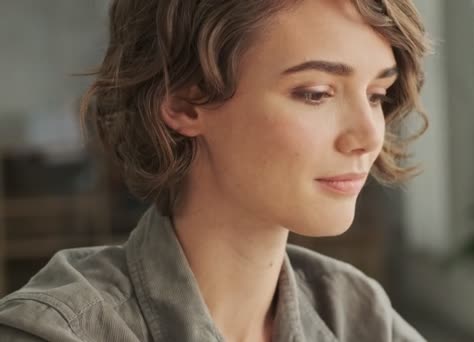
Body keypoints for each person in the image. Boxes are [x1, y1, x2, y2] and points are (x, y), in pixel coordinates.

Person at [0, 0, 430, 340]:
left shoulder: (358, 316)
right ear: (184, 103)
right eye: (316, 94)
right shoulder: (59, 331)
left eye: (377, 94)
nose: (367, 135)